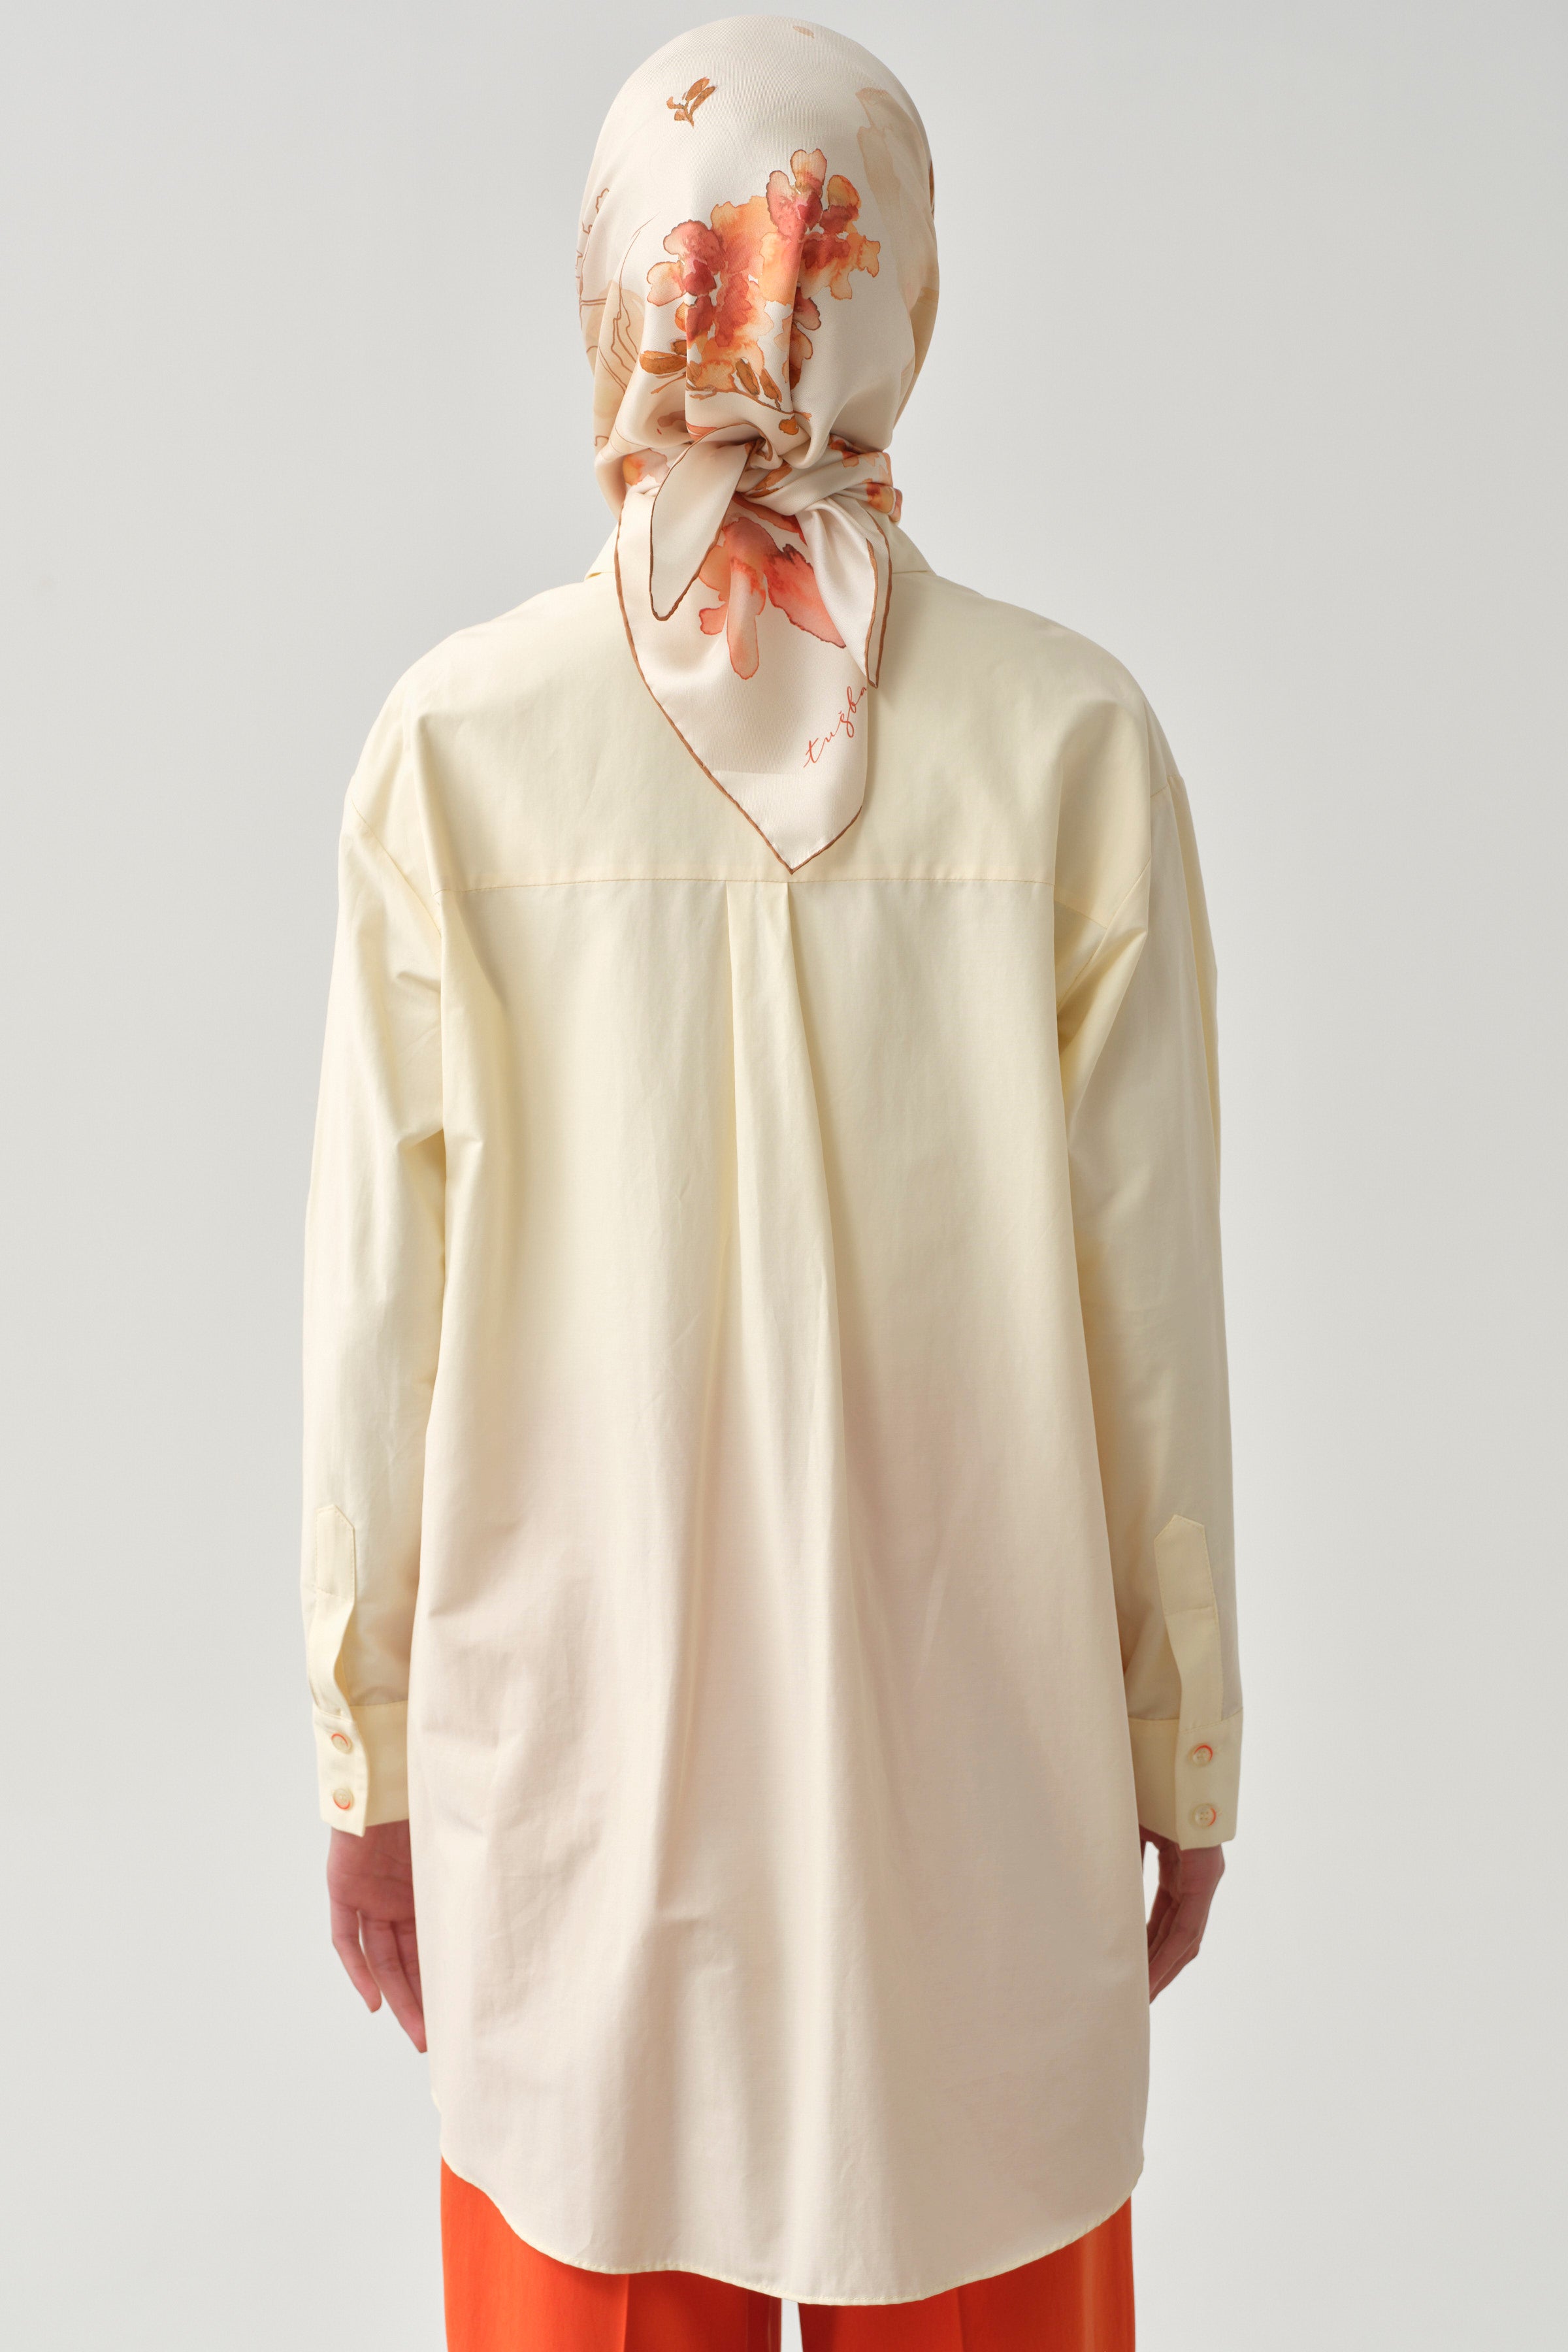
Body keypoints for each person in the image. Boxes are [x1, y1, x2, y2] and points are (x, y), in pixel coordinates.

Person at [302, 18, 1240, 2349]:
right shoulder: (1072, 742)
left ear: (621, 273)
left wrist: (366, 1744)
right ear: (900, 281)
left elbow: (374, 1314)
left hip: (573, 1806)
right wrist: (1182, 1739)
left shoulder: (455, 747)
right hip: (985, 1799)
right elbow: (1153, 1315)